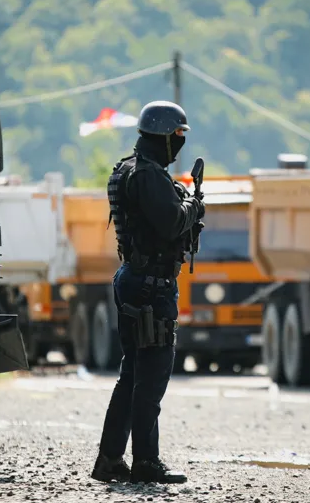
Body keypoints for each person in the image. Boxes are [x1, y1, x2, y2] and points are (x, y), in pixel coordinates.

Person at [91, 100, 204, 485]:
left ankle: (109, 459)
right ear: (166, 135)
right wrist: (193, 206)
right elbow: (172, 222)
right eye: (178, 135)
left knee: (132, 374)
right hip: (151, 286)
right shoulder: (150, 175)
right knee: (151, 378)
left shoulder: (127, 168)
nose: (180, 142)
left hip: (133, 279)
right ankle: (145, 462)